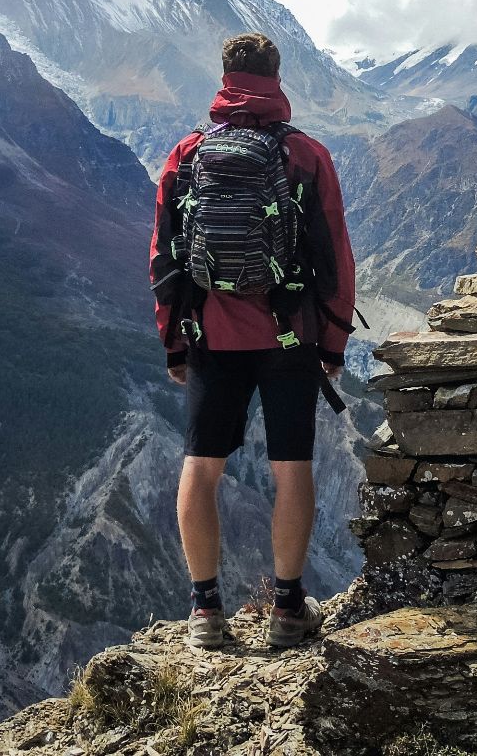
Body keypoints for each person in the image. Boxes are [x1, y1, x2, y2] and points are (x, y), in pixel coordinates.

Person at [148, 32, 357, 649]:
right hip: (290, 336)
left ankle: (206, 611)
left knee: (202, 466)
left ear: (223, 77)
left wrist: (174, 344)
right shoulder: (307, 156)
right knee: (292, 469)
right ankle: (288, 609)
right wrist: (335, 342)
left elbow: (163, 258)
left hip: (211, 334)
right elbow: (335, 257)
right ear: (278, 76)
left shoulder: (187, 155)